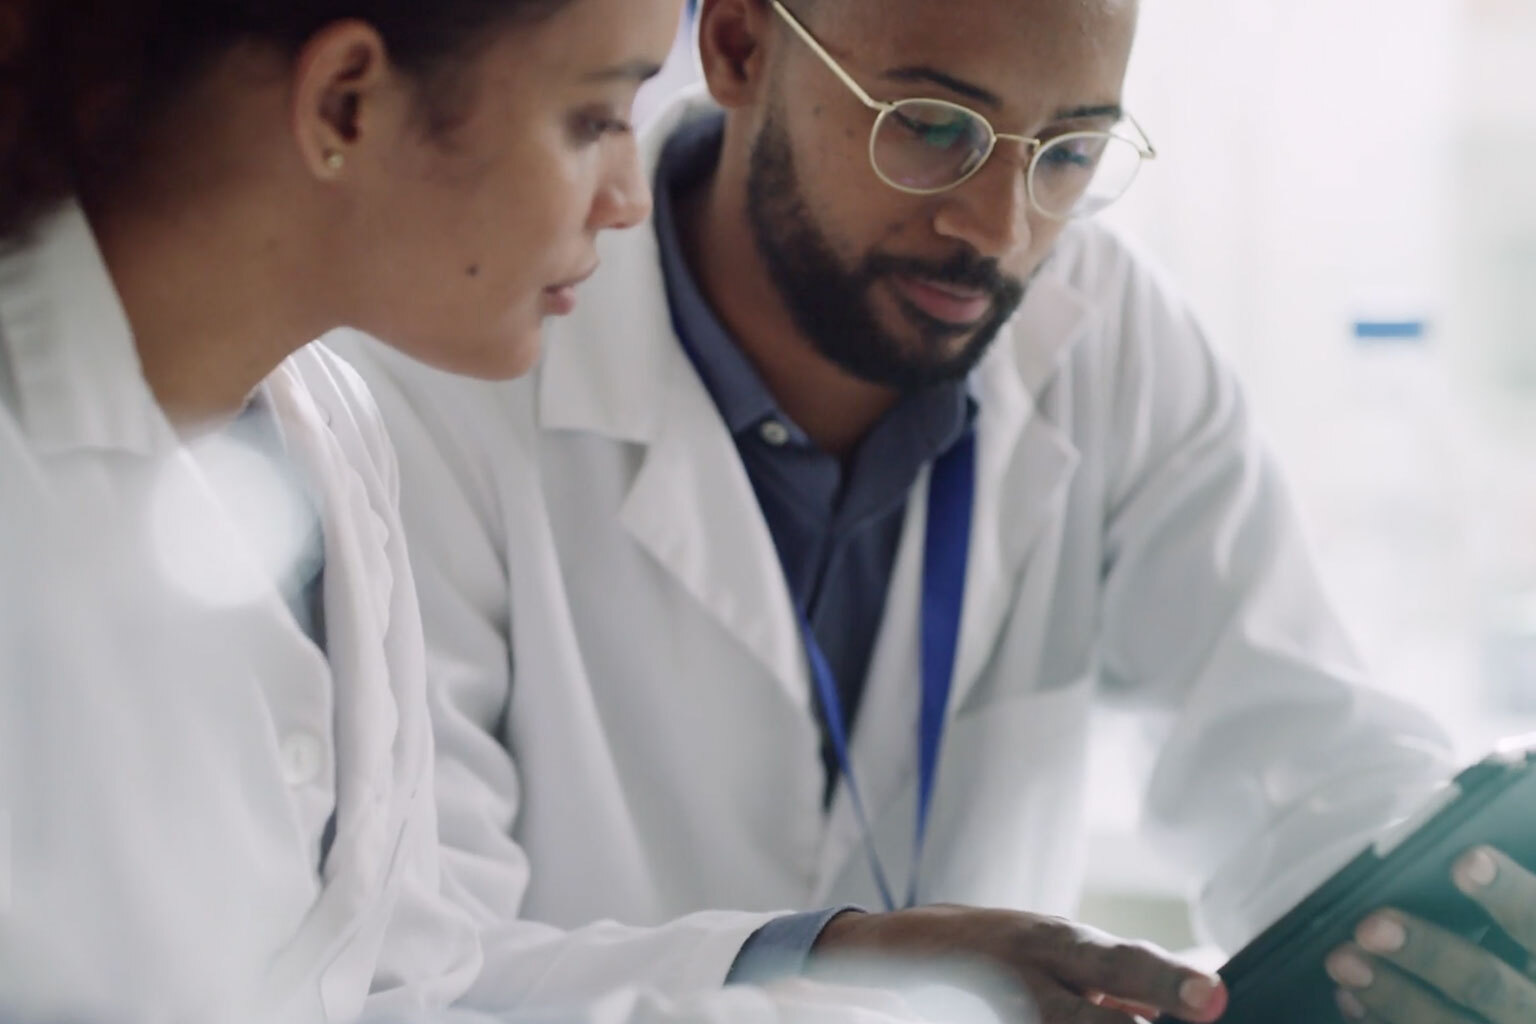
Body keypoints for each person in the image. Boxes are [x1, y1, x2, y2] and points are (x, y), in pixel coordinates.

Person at [337, 0, 1536, 1019]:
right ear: (743, 44)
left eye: (1069, 152)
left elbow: (1303, 757)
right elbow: (410, 967)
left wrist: (1443, 914)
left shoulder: (1105, 333)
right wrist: (835, 968)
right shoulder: (444, 373)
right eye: (929, 128)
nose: (1000, 229)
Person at [0, 3, 926, 1024]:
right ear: (346, 105)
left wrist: (844, 962)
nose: (627, 200)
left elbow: (398, 987)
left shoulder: (330, 435)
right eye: (593, 118)